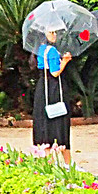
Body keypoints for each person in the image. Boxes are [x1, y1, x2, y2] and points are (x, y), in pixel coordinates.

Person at [34, 29, 73, 164]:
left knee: (45, 120)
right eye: (51, 32)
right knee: (59, 119)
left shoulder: (40, 49)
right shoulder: (51, 51)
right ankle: (67, 162)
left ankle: (48, 159)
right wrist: (65, 61)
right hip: (54, 88)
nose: (54, 35)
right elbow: (55, 72)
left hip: (42, 87)